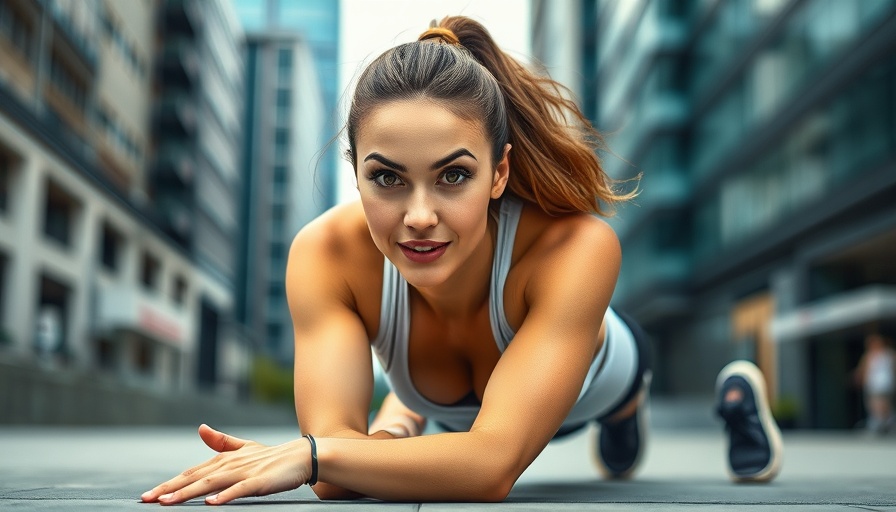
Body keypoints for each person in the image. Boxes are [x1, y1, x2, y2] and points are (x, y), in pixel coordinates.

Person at [141, 16, 781, 505]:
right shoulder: (326, 255)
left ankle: (709, 401)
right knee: (398, 427)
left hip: (601, 372)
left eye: (453, 176)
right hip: (451, 413)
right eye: (387, 179)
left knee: (617, 399)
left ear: (499, 173)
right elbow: (338, 477)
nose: (419, 216)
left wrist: (312, 455)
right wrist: (354, 447)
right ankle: (409, 415)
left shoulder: (574, 248)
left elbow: (490, 466)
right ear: (355, 176)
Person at [854, 333, 896, 434]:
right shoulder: (869, 355)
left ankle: (884, 424)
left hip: (885, 384)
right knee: (874, 405)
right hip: (872, 384)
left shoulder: (889, 354)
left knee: (882, 404)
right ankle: (881, 423)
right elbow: (862, 369)